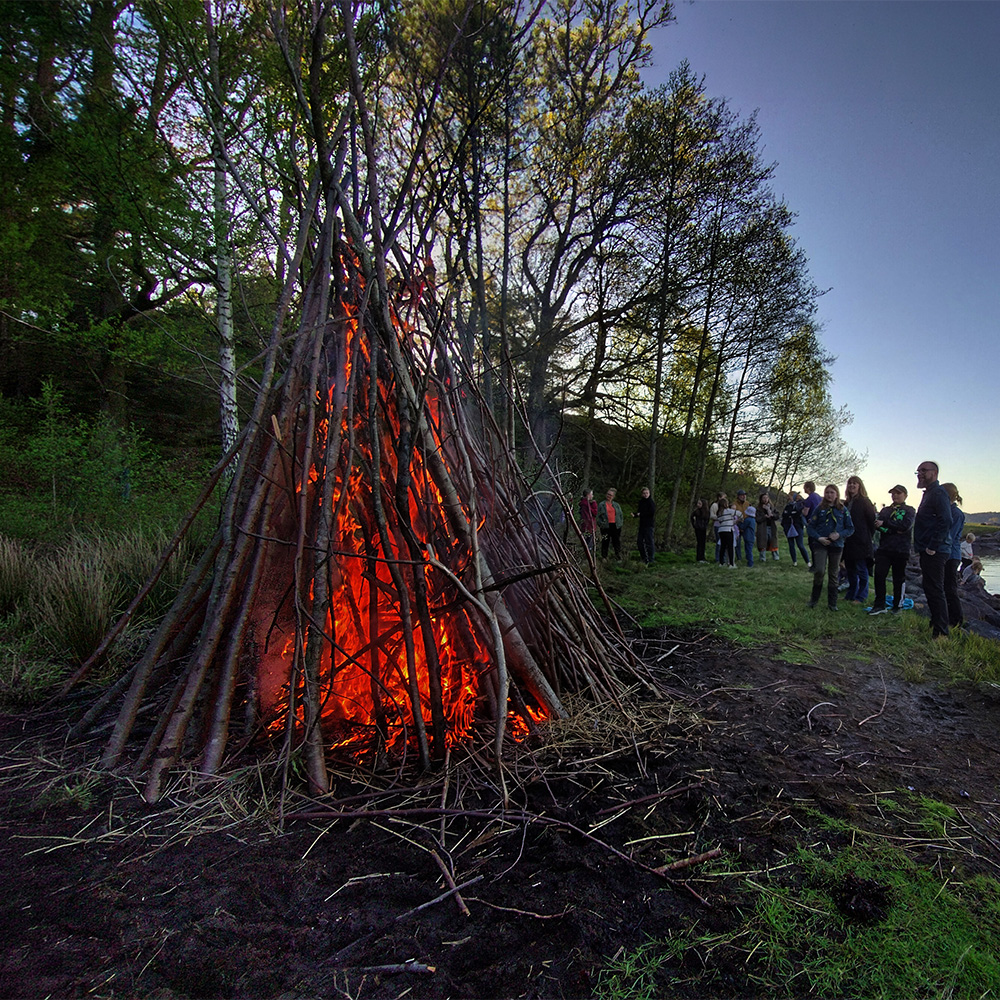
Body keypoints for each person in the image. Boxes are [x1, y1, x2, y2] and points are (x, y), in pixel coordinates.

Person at [913, 461, 954, 638]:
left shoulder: (938, 493)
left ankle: (942, 632)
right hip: (928, 549)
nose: (919, 473)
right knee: (929, 587)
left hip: (936, 551)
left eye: (923, 470)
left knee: (936, 589)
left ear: (934, 473)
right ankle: (935, 623)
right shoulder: (929, 494)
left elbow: (946, 520)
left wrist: (932, 546)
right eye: (918, 471)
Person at [806, 484, 854, 611]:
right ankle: (814, 600)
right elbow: (810, 527)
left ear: (837, 494)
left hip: (837, 545)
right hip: (821, 544)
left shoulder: (843, 510)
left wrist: (839, 535)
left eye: (832, 492)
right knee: (820, 570)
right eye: (827, 492)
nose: (829, 495)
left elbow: (850, 528)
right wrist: (818, 538)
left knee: (833, 573)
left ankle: (832, 603)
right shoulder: (819, 508)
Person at [869, 485, 915, 615]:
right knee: (879, 575)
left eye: (898, 493)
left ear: (905, 495)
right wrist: (891, 529)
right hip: (884, 548)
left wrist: (887, 524)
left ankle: (898, 605)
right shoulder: (885, 510)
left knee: (898, 578)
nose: (895, 496)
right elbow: (878, 525)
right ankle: (879, 604)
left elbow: (905, 526)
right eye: (893, 493)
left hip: (901, 549)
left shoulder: (910, 510)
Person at [843, 476, 876, 603]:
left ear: (859, 486)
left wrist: (866, 536)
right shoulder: (847, 503)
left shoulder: (865, 501)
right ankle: (851, 594)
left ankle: (861, 596)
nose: (852, 485)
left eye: (854, 483)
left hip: (861, 541)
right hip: (849, 541)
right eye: (850, 483)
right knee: (850, 569)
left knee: (861, 569)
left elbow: (871, 521)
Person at [941, 483, 965, 630]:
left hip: (951, 554)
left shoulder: (956, 514)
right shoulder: (946, 511)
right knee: (944, 587)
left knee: (950, 587)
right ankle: (947, 616)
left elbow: (949, 535)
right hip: (945, 553)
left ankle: (956, 620)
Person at [781, 492, 811, 566]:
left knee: (800, 545)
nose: (788, 498)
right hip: (788, 527)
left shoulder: (800, 504)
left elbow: (798, 513)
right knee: (791, 545)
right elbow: (784, 516)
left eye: (790, 496)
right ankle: (794, 562)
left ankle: (808, 562)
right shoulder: (787, 506)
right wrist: (785, 526)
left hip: (797, 527)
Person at [597, 487, 624, 560]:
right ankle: (604, 556)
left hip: (615, 526)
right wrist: (601, 524)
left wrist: (620, 523)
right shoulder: (601, 504)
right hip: (605, 526)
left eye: (610, 495)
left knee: (616, 541)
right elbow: (598, 516)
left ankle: (618, 556)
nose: (609, 496)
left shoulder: (616, 505)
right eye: (608, 494)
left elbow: (621, 515)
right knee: (605, 541)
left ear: (613, 496)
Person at [634, 487, 656, 565]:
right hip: (642, 525)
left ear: (649, 494)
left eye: (647, 493)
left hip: (649, 525)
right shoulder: (641, 502)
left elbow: (651, 513)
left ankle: (651, 559)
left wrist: (641, 514)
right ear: (642, 494)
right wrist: (635, 514)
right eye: (644, 493)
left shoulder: (651, 502)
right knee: (639, 542)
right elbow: (639, 512)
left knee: (649, 542)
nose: (646, 494)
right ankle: (644, 558)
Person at [756, 493, 780, 561]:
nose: (765, 499)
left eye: (766, 498)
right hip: (762, 528)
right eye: (764, 498)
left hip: (772, 527)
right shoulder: (758, 509)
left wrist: (772, 515)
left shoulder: (772, 507)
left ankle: (775, 557)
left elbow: (777, 515)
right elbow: (757, 519)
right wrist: (764, 517)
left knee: (773, 542)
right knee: (762, 542)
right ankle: (762, 558)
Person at [716, 498, 739, 567]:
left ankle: (721, 562)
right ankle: (731, 564)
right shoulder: (729, 511)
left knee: (722, 546)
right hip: (728, 529)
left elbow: (720, 521)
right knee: (730, 547)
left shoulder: (719, 512)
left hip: (721, 530)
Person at [734, 490, 754, 566]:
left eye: (744, 495)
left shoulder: (748, 504)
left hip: (746, 525)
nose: (744, 496)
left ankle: (748, 559)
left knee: (747, 543)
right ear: (738, 496)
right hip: (738, 525)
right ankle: (739, 557)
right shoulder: (734, 504)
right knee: (737, 543)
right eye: (742, 495)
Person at [709, 493, 727, 563]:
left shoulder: (725, 507)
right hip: (718, 525)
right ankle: (718, 558)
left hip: (724, 525)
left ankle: (723, 558)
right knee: (719, 542)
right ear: (719, 498)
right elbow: (712, 515)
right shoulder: (714, 505)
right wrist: (719, 518)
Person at [579, 489, 598, 554]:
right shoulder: (589, 504)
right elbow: (595, 513)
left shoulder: (582, 503)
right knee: (589, 540)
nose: (592, 496)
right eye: (591, 494)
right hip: (589, 525)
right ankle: (588, 554)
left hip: (585, 524)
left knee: (586, 539)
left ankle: (586, 552)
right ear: (588, 495)